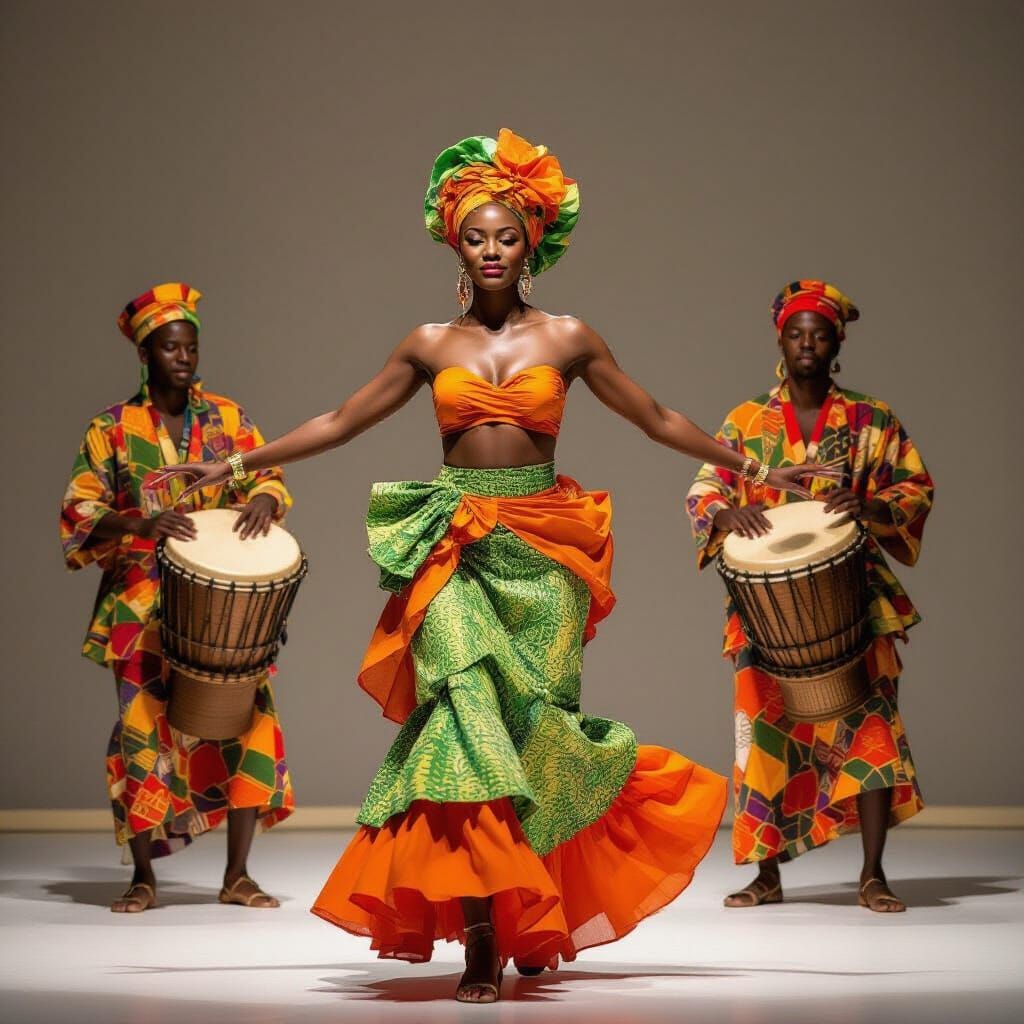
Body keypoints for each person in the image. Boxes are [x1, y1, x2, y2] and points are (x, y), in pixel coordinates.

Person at [159, 132, 832, 1003]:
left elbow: (658, 417)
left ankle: (528, 915)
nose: (489, 250)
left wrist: (759, 471)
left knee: (532, 739)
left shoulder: (570, 337)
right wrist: (233, 466)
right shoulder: (428, 344)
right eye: (475, 236)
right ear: (454, 242)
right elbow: (339, 418)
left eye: (505, 237)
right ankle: (478, 938)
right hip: (456, 544)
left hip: (545, 549)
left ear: (531, 243)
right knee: (461, 732)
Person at [685, 280, 933, 913]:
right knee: (763, 740)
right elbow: (705, 484)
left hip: (855, 601)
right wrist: (722, 516)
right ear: (780, 339)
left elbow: (913, 488)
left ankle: (873, 874)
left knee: (872, 730)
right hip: (766, 616)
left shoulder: (872, 419)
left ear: (835, 343)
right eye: (796, 333)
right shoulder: (745, 420)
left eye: (819, 334)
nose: (807, 344)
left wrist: (872, 505)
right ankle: (767, 875)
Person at [60, 283, 294, 913]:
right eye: (170, 348)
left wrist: (267, 500)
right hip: (137, 610)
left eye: (190, 347)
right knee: (142, 735)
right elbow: (80, 509)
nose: (183, 358)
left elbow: (266, 473)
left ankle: (237, 875)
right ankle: (143, 876)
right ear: (146, 355)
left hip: (223, 612)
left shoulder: (228, 418)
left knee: (250, 728)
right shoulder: (111, 428)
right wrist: (138, 524)